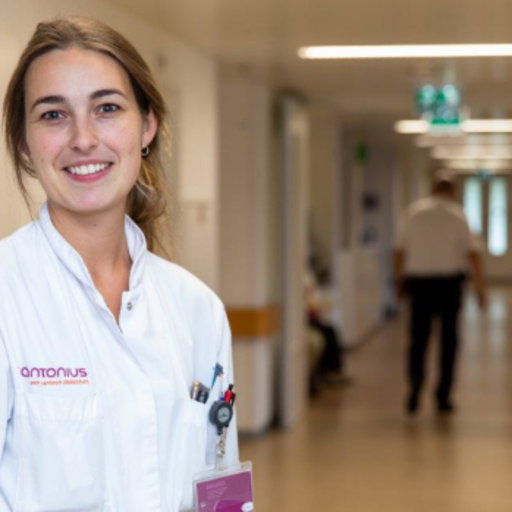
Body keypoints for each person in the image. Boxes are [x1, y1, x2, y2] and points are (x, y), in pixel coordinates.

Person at [0, 17, 238, 511]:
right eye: (52, 115)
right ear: (25, 141)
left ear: (147, 126)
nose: (84, 139)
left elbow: (222, 489)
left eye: (107, 108)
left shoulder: (198, 310)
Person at [393, 169, 486, 415]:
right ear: (452, 190)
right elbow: (473, 254)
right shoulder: (458, 215)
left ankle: (415, 388)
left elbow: (399, 250)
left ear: (432, 187)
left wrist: (398, 282)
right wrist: (480, 288)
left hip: (419, 284)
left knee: (418, 341)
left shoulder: (413, 213)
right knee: (449, 342)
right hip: (448, 285)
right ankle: (442, 396)